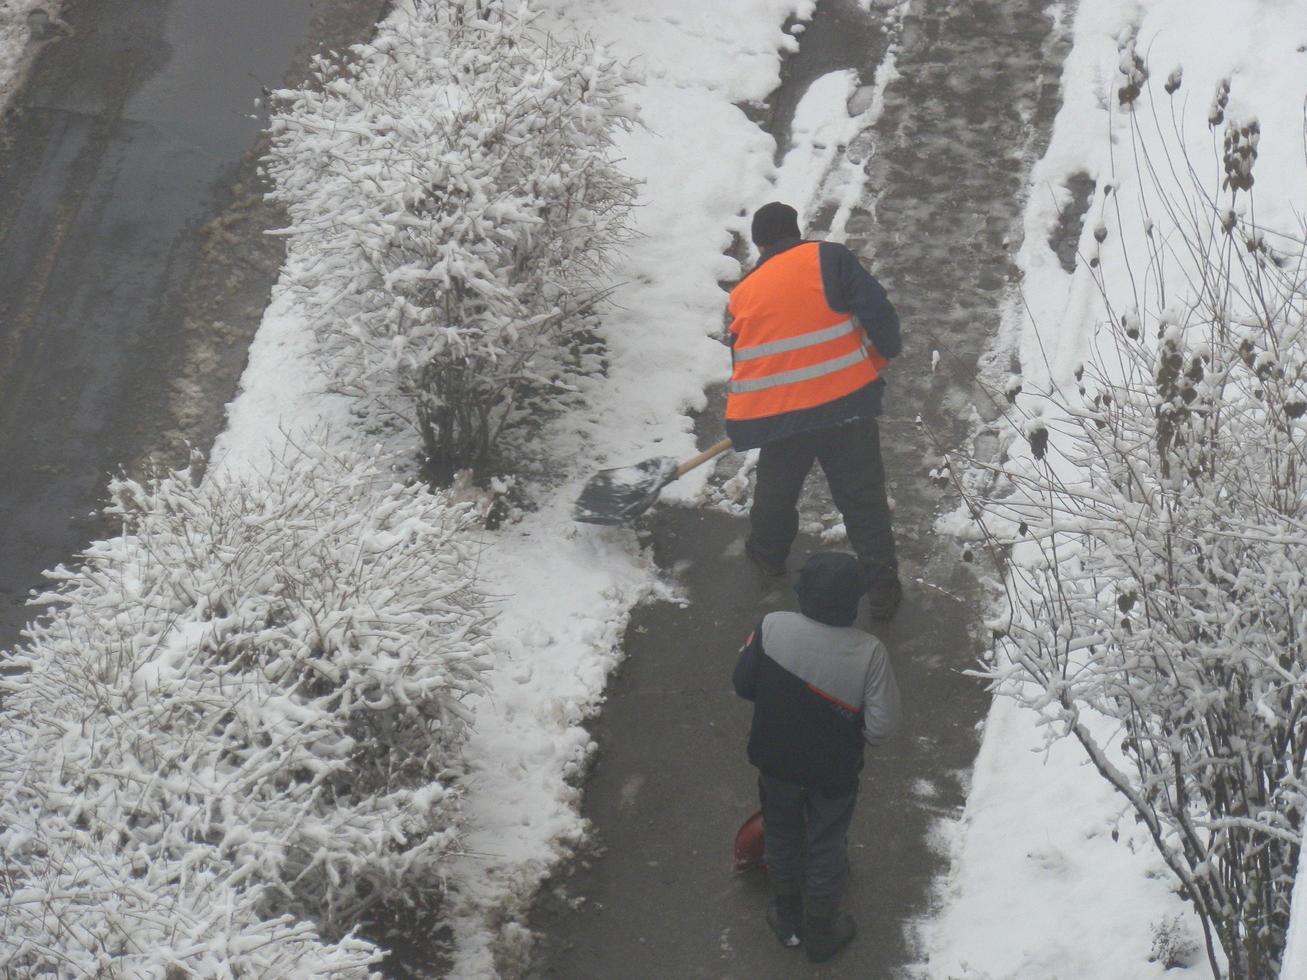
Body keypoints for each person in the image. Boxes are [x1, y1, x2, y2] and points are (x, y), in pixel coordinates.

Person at [726, 201, 903, 618]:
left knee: (776, 489)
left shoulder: (743, 292)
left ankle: (767, 555)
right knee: (863, 499)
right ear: (797, 230)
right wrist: (887, 348)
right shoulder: (828, 256)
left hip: (783, 415)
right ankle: (882, 590)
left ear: (759, 243)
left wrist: (758, 416)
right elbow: (876, 307)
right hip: (847, 405)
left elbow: (744, 360)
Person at [732, 551, 902, 963]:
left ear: (802, 593)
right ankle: (822, 930)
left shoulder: (772, 627)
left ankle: (787, 917)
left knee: (783, 834)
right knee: (826, 844)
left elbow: (743, 684)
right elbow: (881, 728)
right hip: (833, 775)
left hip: (776, 765)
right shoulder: (870, 653)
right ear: (854, 601)